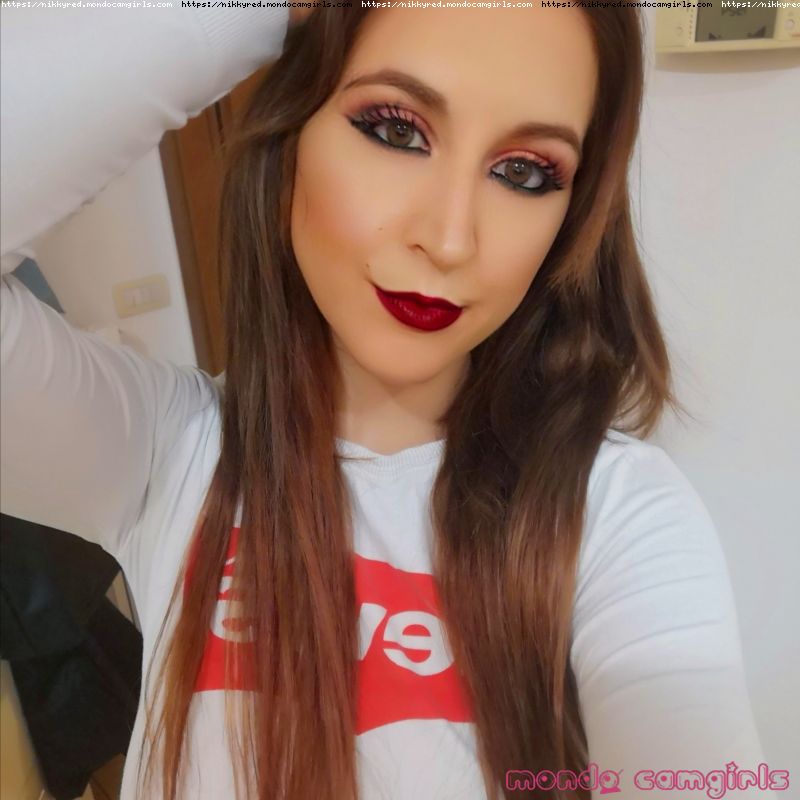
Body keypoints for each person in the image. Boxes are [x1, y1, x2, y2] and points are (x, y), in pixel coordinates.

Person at [0, 6, 780, 800]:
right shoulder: (164, 454)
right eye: (397, 130)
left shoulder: (614, 511)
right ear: (294, 130)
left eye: (523, 173)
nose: (450, 239)